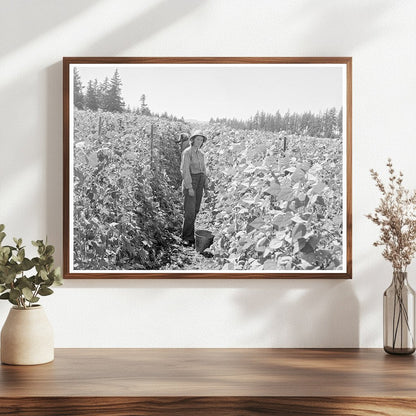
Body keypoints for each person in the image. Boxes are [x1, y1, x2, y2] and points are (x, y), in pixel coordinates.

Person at [180, 130, 209, 247]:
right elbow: (185, 170)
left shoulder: (201, 154)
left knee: (195, 210)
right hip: (191, 181)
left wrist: (206, 187)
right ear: (192, 140)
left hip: (200, 182)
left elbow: (204, 171)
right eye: (197, 139)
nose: (199, 141)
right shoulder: (187, 152)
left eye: (201, 140)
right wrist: (189, 187)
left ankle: (190, 236)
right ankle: (186, 237)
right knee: (189, 211)